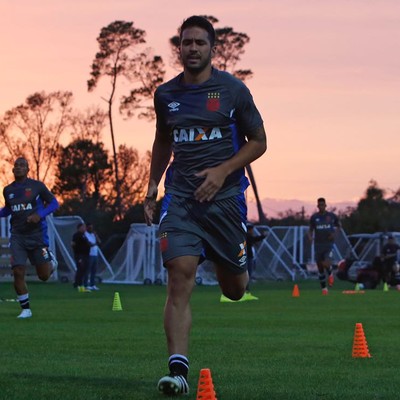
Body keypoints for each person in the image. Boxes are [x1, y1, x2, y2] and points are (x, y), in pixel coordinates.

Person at [143, 15, 267, 396]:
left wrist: (223, 171)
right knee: (179, 275)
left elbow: (259, 141)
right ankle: (178, 372)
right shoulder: (165, 95)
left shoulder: (233, 91)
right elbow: (163, 140)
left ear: (213, 48)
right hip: (180, 199)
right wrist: (151, 187)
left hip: (226, 202)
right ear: (178, 48)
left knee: (235, 289)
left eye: (199, 42)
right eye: (186, 42)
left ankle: (232, 257)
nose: (192, 48)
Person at [0, 157, 59, 318]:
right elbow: (8, 209)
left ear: (28, 169)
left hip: (37, 235)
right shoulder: (8, 190)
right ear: (13, 170)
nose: (19, 167)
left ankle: (51, 261)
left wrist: (40, 215)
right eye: (16, 165)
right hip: (17, 236)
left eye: (22, 165)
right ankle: (26, 309)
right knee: (18, 271)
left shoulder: (37, 186)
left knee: (43, 276)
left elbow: (54, 203)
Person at [308, 197, 341, 295]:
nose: (321, 206)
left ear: (325, 205)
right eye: (319, 205)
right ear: (317, 206)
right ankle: (324, 289)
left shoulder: (331, 216)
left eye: (323, 205)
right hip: (318, 245)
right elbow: (310, 230)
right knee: (320, 268)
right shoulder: (314, 217)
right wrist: (310, 237)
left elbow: (339, 226)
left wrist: (334, 234)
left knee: (326, 263)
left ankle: (330, 273)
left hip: (328, 244)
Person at [71, 222, 91, 292]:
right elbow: (73, 244)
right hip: (80, 255)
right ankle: (79, 285)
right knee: (80, 269)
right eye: (83, 227)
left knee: (84, 270)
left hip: (85, 255)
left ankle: (79, 284)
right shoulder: (76, 235)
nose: (85, 228)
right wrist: (78, 253)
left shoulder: (84, 235)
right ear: (79, 228)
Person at [84, 222, 101, 290]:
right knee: (87, 270)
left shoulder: (93, 234)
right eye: (90, 227)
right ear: (87, 228)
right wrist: (95, 244)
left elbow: (99, 242)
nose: (91, 229)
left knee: (94, 270)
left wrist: (96, 236)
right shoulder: (85, 234)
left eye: (92, 227)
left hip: (95, 254)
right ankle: (85, 284)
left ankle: (92, 284)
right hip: (89, 254)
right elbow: (89, 244)